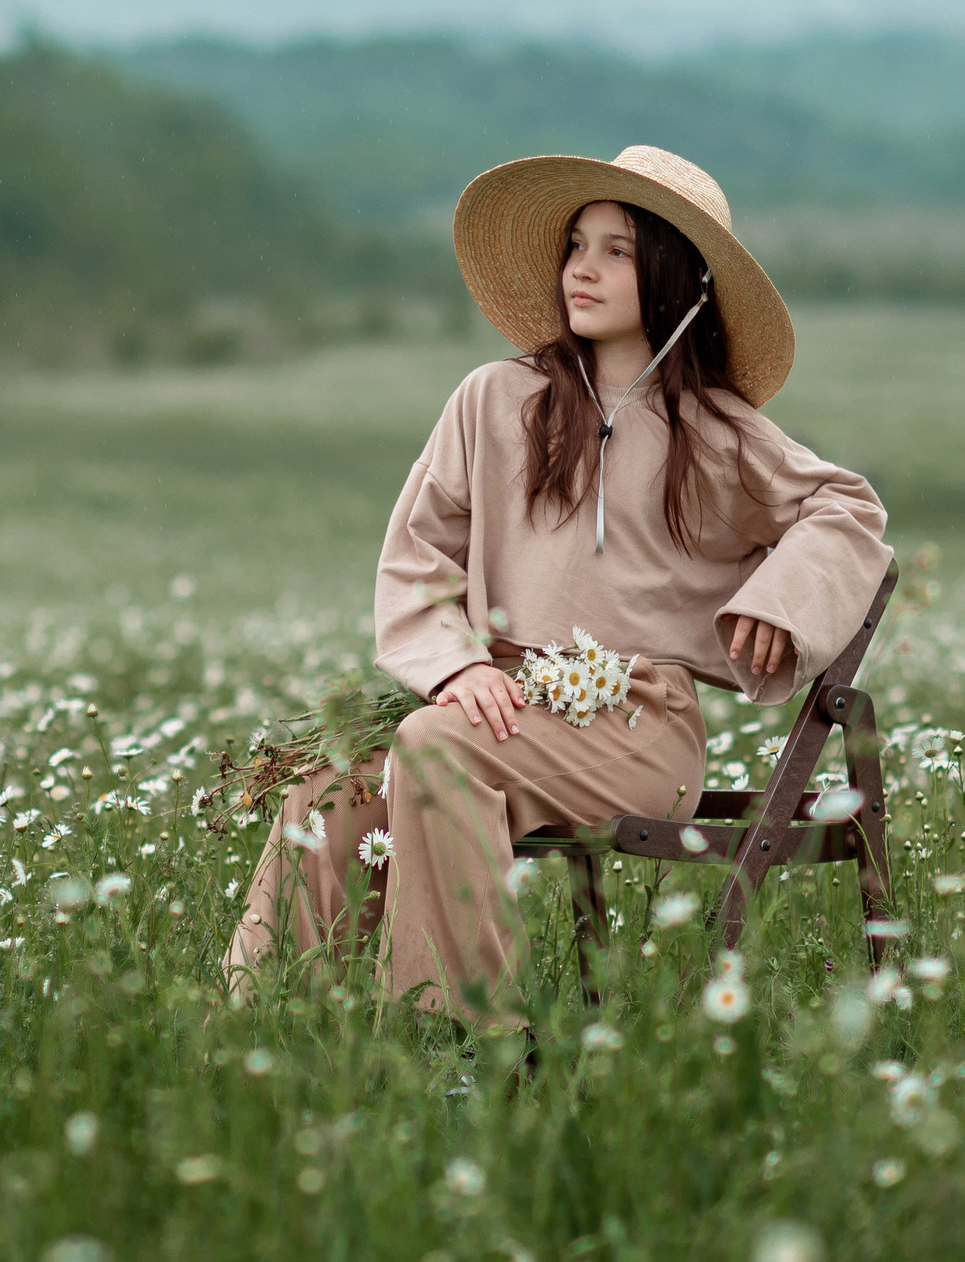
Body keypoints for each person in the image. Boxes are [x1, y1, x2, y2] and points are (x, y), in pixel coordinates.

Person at [223, 144, 891, 1023]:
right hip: (495, 702)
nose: (583, 267)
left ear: (676, 277)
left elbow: (846, 509)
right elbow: (419, 555)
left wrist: (780, 597)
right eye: (576, 245)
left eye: (617, 250)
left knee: (435, 748)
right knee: (336, 778)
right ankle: (268, 1025)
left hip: (638, 726)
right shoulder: (494, 400)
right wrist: (458, 665)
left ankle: (468, 1038)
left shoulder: (715, 429)